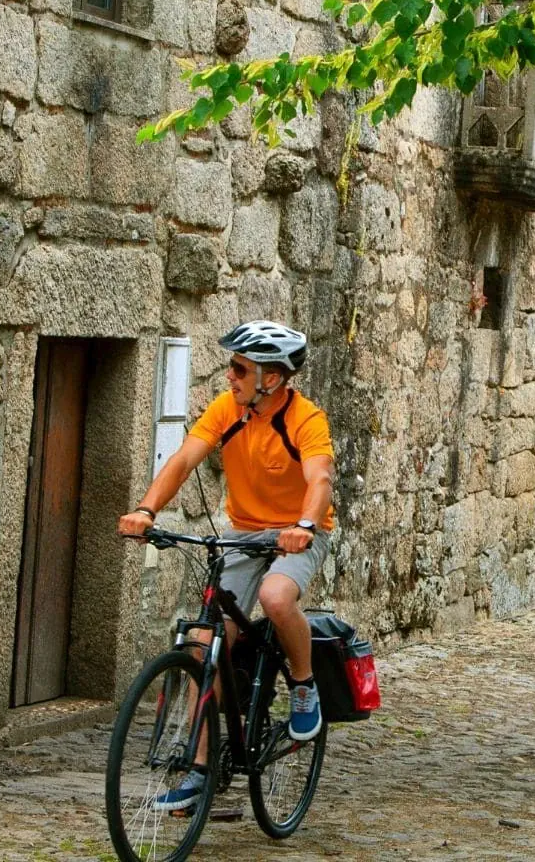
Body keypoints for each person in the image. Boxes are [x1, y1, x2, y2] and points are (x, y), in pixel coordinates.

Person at [117, 321, 336, 811]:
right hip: (244, 532)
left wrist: (304, 521)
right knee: (204, 647)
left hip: (301, 532)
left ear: (272, 379)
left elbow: (319, 479)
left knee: (276, 597)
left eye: (240, 368)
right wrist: (147, 510)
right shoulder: (227, 408)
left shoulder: (306, 419)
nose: (230, 376)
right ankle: (201, 769)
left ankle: (303, 686)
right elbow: (182, 460)